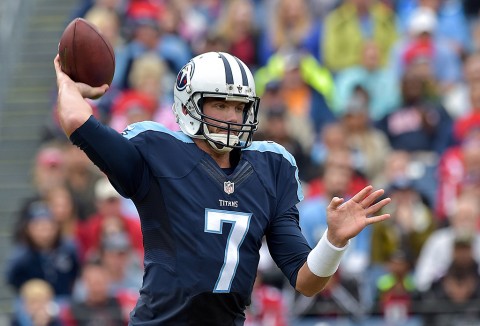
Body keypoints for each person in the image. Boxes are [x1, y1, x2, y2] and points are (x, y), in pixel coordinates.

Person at [53, 51, 391, 325]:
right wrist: (69, 82)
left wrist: (333, 242)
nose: (231, 116)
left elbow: (305, 281)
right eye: (220, 104)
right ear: (189, 105)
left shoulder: (271, 168)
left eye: (239, 107)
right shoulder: (157, 151)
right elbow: (76, 121)